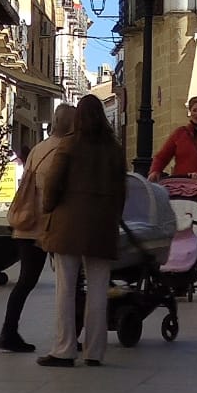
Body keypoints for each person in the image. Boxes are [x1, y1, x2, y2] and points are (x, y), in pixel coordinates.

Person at [35, 94, 127, 367]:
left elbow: (52, 185)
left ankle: (64, 349)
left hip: (68, 227)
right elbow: (122, 190)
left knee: (66, 288)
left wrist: (50, 209)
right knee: (98, 289)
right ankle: (95, 351)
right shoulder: (114, 149)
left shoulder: (68, 145)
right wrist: (112, 216)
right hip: (101, 227)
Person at [0, 102, 76, 353]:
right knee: (70, 282)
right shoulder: (66, 151)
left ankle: (8, 331)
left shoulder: (39, 148)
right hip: (50, 225)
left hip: (26, 223)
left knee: (25, 282)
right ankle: (69, 337)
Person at [148, 95, 197, 206]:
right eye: (194, 110)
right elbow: (163, 155)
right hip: (180, 187)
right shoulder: (180, 133)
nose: (196, 114)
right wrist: (155, 170)